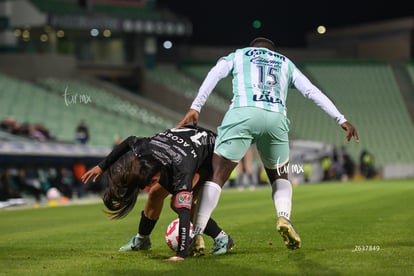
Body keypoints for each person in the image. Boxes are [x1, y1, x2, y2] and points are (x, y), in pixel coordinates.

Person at [177, 37, 359, 255]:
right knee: (280, 176)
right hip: (275, 119)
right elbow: (311, 91)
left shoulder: (239, 54)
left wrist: (196, 106)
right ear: (272, 51)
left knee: (216, 176)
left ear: (253, 48)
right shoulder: (285, 62)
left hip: (242, 114)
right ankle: (284, 217)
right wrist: (341, 119)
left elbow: (215, 72)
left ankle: (197, 234)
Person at [81, 125, 233, 261]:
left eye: (151, 181)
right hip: (184, 145)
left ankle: (222, 238)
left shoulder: (182, 170)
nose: (148, 185)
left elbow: (184, 212)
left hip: (210, 156)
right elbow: (129, 141)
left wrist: (181, 255)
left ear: (157, 173)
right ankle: (142, 239)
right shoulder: (144, 148)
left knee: (177, 204)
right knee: (154, 194)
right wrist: (102, 167)